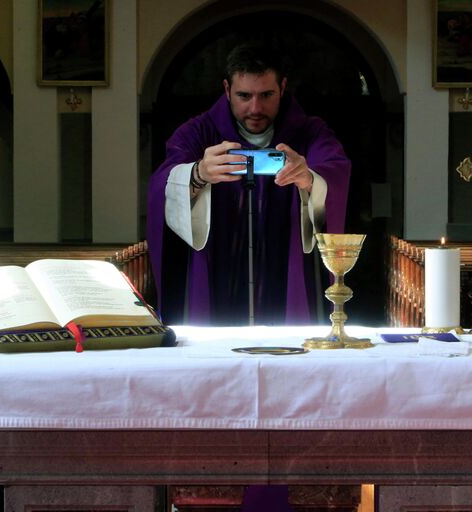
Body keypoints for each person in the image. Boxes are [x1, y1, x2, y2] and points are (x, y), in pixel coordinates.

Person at [147, 42, 351, 325]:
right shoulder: (198, 131)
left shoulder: (309, 131)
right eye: (244, 95)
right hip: (219, 265)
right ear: (227, 90)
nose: (255, 108)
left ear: (282, 87)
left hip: (284, 264)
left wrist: (309, 179)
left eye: (266, 95)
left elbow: (335, 171)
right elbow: (162, 182)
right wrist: (197, 173)